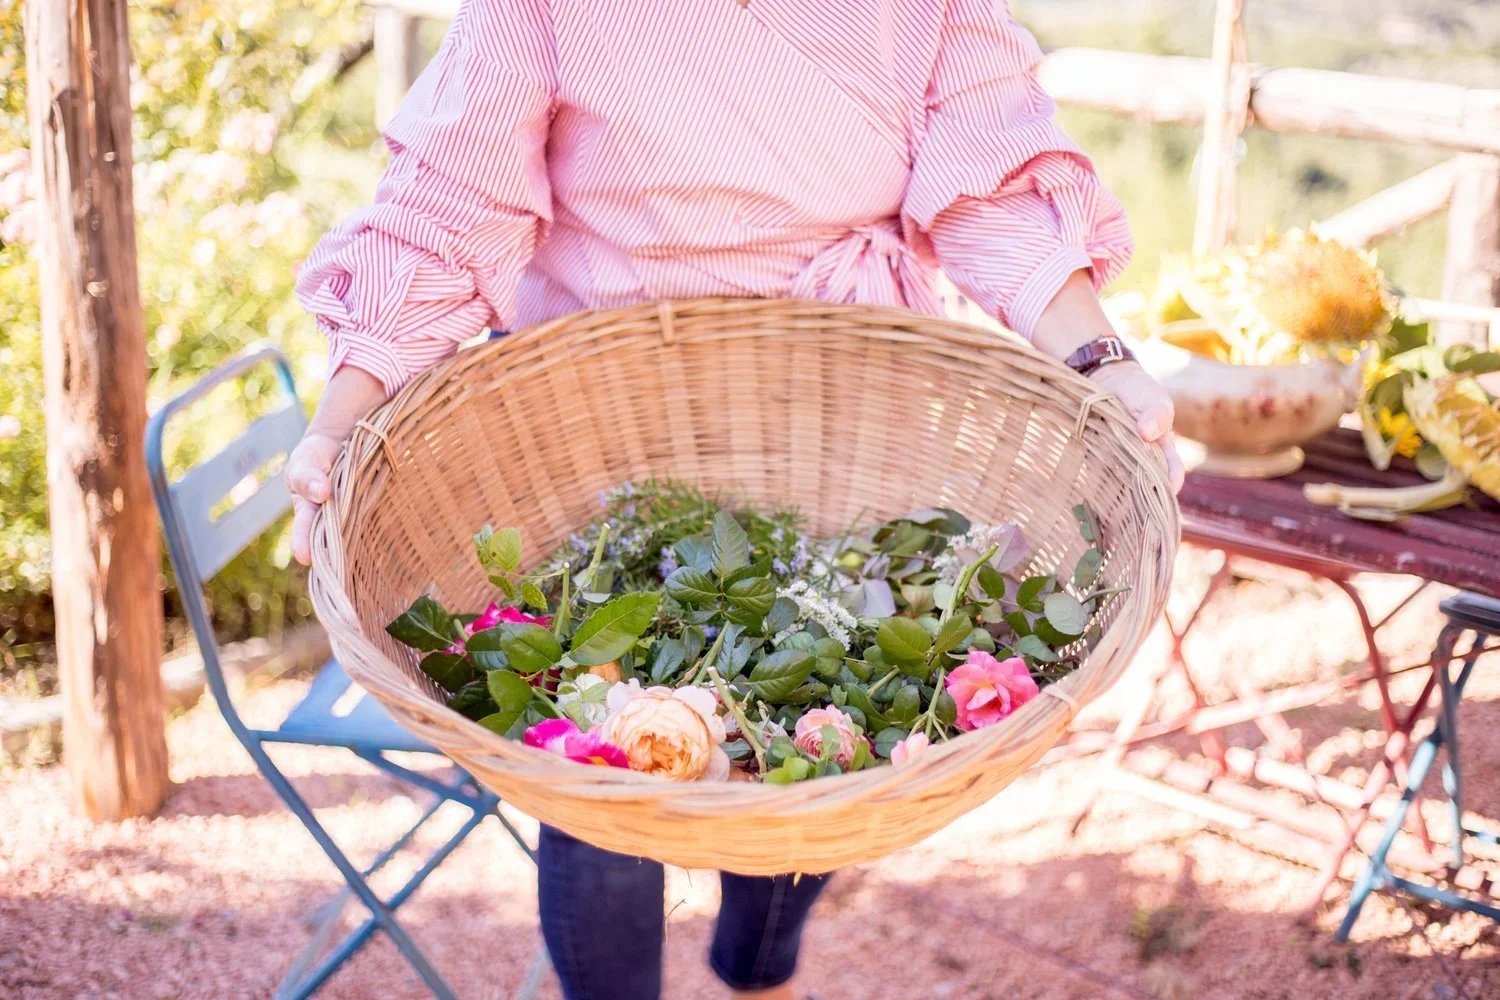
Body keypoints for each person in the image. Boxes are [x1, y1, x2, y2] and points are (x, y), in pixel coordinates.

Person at [286, 2, 1184, 997]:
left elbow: (993, 191)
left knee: (834, 716)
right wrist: (339, 422)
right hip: (600, 424)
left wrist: (1104, 363)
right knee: (598, 757)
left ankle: (758, 977)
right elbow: (448, 210)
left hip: (835, 414)